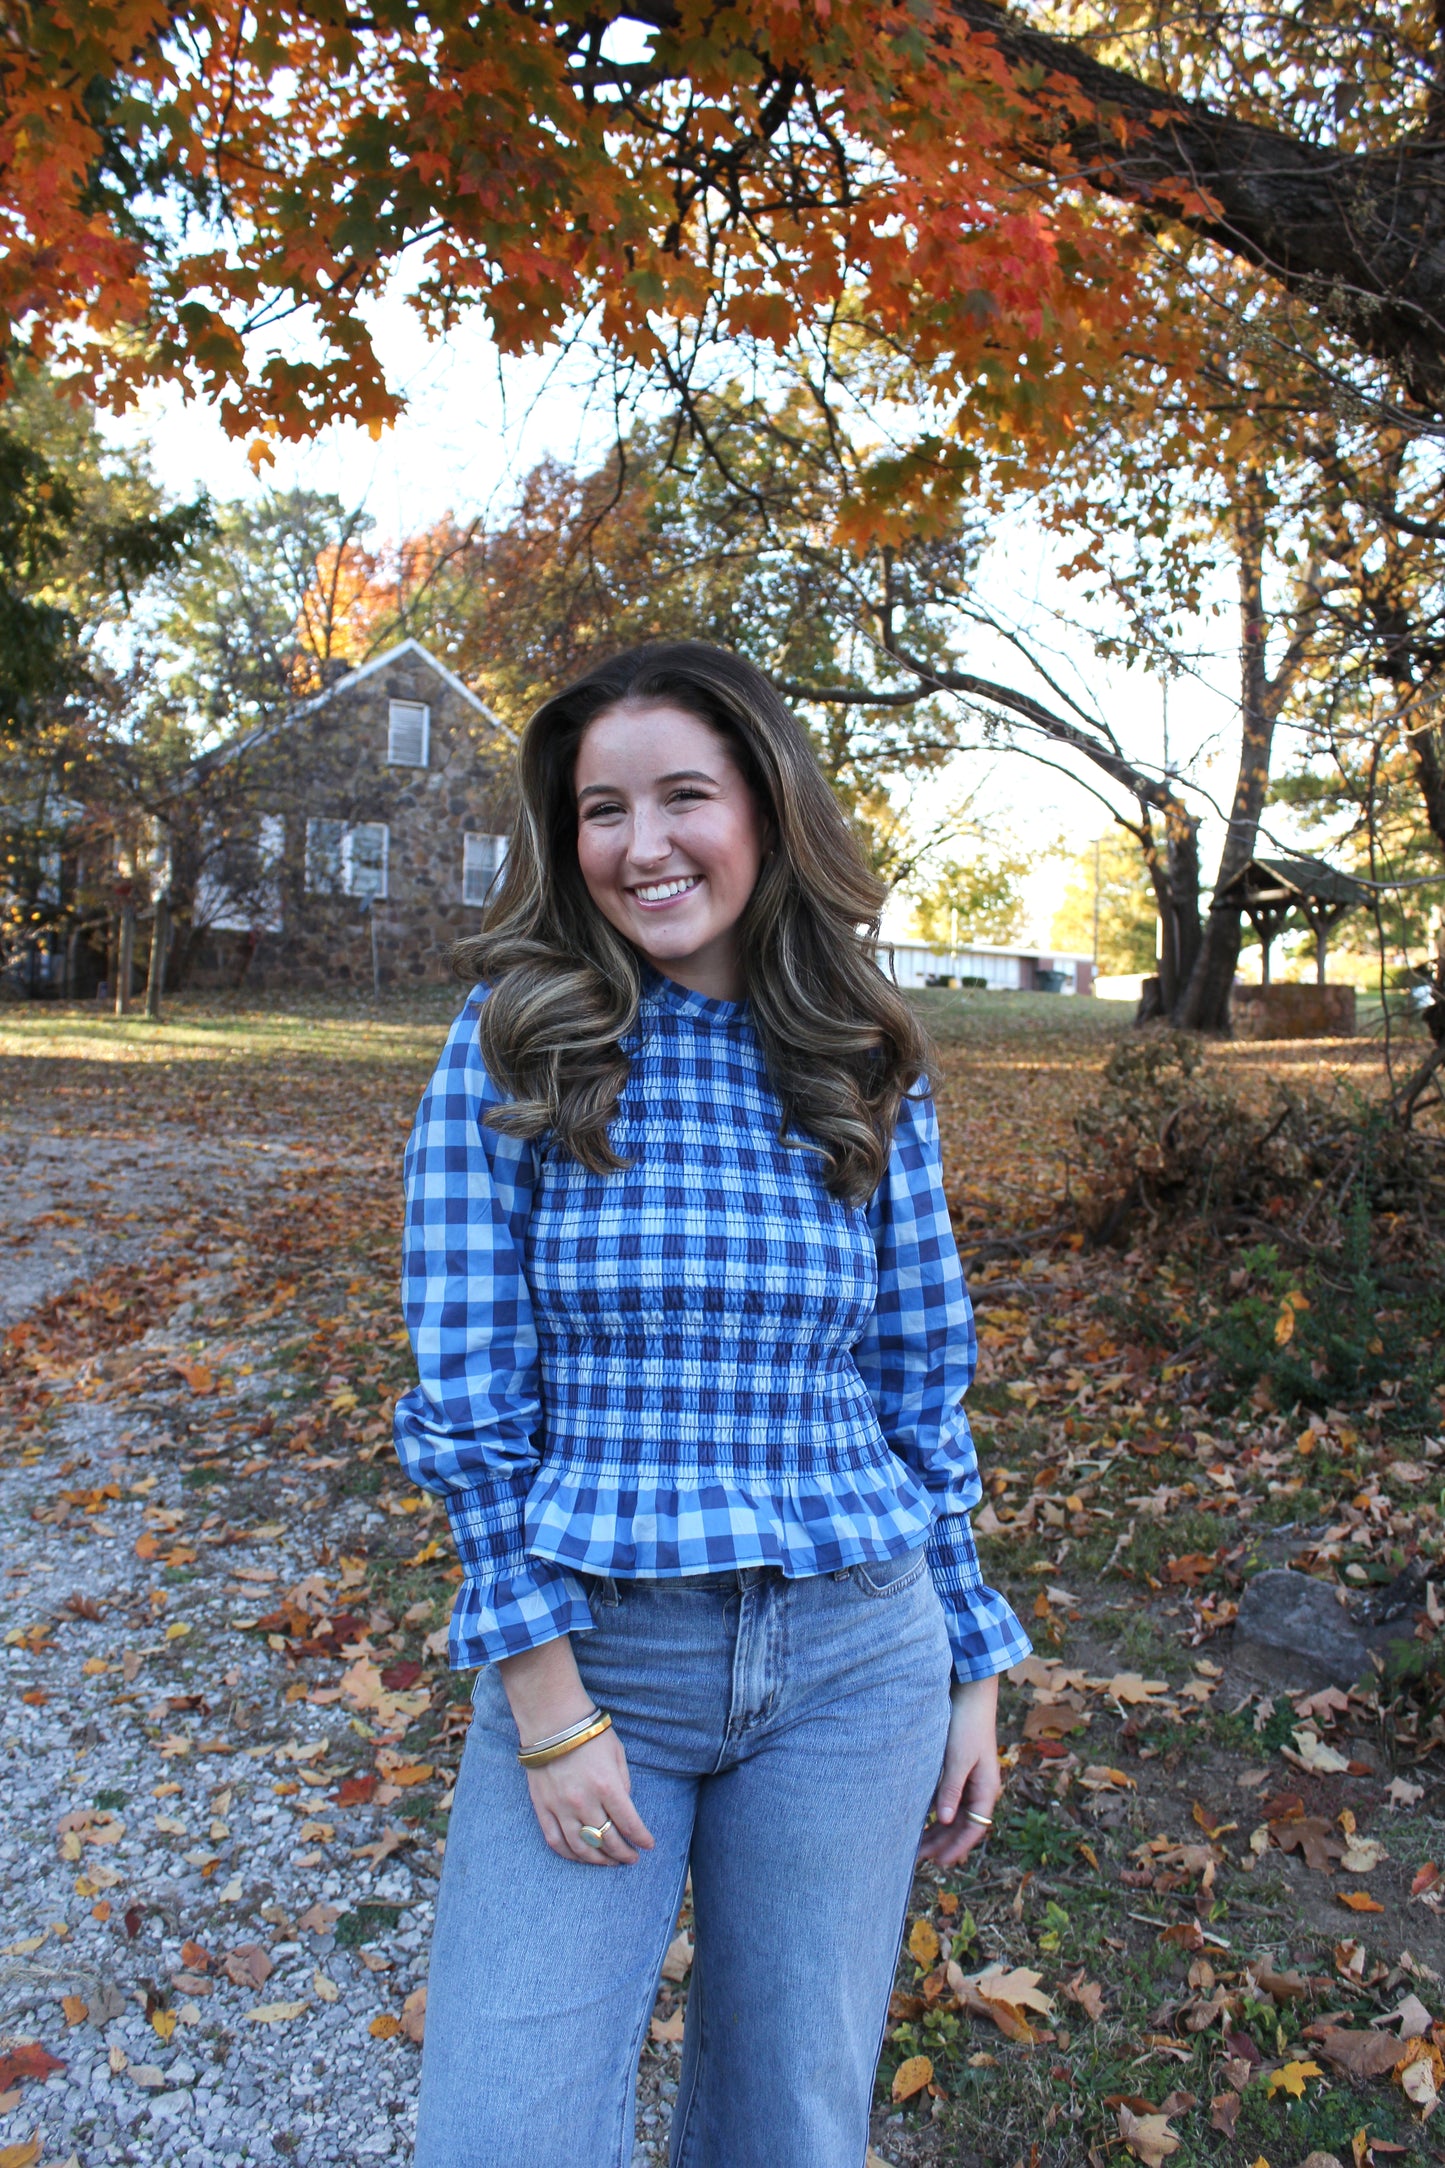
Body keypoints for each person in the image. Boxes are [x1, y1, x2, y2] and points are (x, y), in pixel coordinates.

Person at [394, 642, 1029, 2168]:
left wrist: (969, 1659)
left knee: (786, 2130)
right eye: (601, 811)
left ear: (767, 807)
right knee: (503, 2131)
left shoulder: (864, 1057)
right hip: (605, 1651)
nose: (641, 845)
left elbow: (916, 1386)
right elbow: (467, 1397)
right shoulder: (519, 1040)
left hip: (853, 1659)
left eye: (685, 794)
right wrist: (548, 1708)